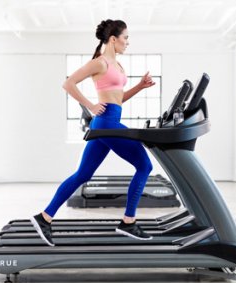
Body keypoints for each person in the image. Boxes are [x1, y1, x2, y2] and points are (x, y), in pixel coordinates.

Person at [29, 19, 157, 246]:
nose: (128, 42)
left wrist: (139, 87)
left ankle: (44, 217)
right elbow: (68, 83)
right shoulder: (100, 63)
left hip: (106, 124)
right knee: (145, 166)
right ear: (113, 39)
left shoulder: (117, 65)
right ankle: (128, 222)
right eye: (125, 38)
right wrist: (90, 105)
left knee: (83, 175)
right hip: (105, 124)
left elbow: (118, 99)